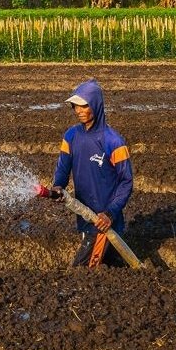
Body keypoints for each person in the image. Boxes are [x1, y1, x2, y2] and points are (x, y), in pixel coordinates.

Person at [46, 78, 133, 267]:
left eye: (83, 106)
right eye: (75, 106)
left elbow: (126, 181)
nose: (78, 111)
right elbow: (62, 169)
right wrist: (58, 187)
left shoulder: (113, 141)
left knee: (82, 270)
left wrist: (110, 213)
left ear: (95, 104)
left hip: (103, 222)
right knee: (108, 267)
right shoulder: (71, 136)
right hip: (85, 216)